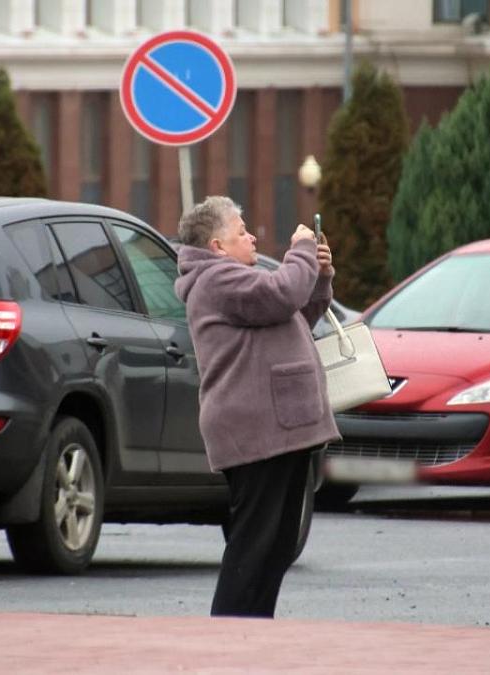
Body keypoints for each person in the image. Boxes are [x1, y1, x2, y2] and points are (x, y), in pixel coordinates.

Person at [173, 195, 340, 618]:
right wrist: (301, 250)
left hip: (281, 428)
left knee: (279, 542)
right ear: (217, 246)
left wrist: (317, 276)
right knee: (255, 543)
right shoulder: (215, 280)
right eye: (241, 231)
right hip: (256, 432)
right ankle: (229, 635)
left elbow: (296, 314)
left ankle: (255, 630)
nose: (250, 237)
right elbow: (283, 293)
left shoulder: (236, 279)